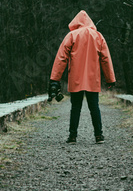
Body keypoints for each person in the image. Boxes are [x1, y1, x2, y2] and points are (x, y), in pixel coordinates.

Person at [49, 10, 116, 144]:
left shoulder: (72, 35)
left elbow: (61, 58)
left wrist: (55, 79)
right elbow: (105, 59)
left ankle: (72, 136)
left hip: (76, 78)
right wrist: (110, 79)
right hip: (93, 79)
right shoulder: (98, 36)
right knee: (94, 107)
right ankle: (98, 136)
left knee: (75, 107)